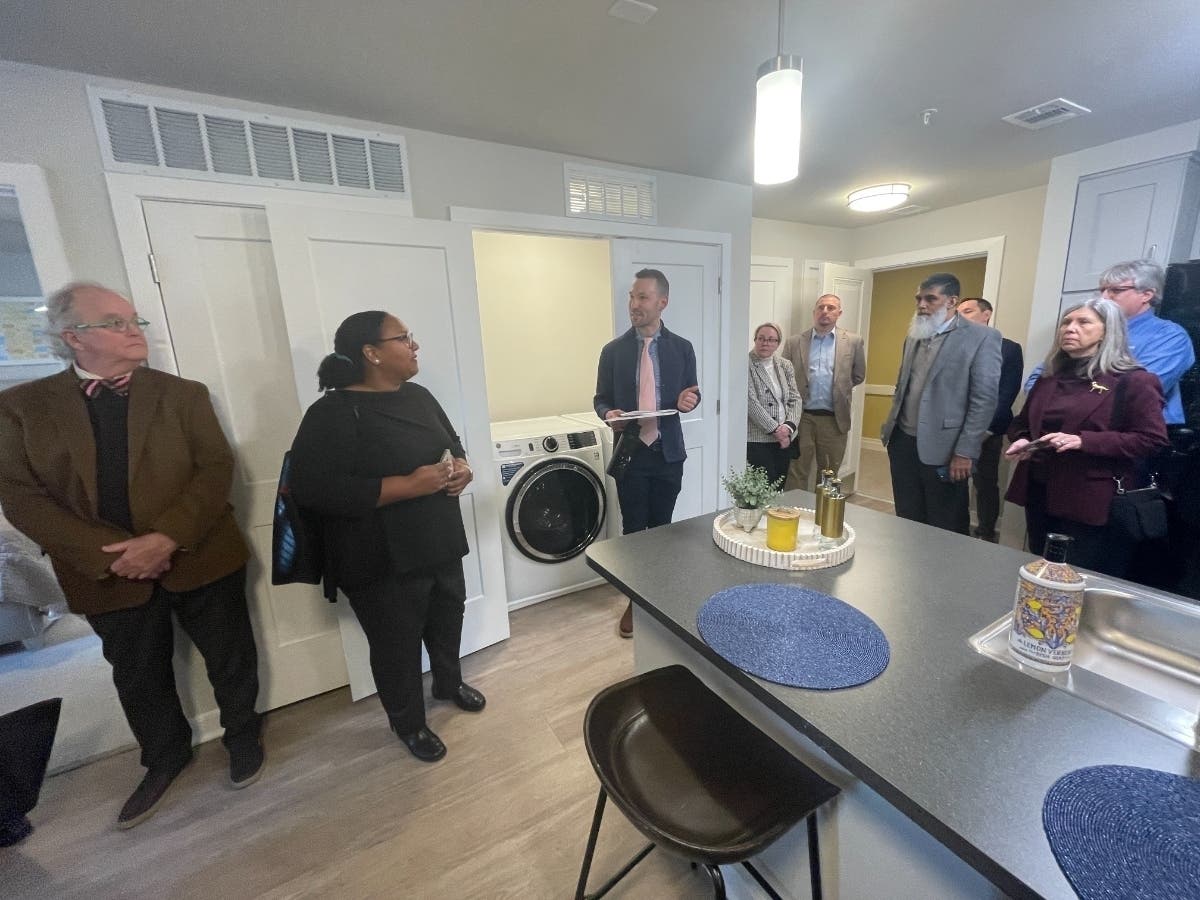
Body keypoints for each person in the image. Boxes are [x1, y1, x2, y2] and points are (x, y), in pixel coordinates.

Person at [0, 282, 263, 830]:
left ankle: (243, 737)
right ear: (73, 337)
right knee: (137, 672)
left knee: (230, 654)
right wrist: (114, 556)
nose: (134, 332)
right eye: (116, 323)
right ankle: (165, 756)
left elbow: (215, 470)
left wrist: (164, 538)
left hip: (200, 554)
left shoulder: (183, 394)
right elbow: (20, 495)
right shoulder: (21, 408)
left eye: (135, 321)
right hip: (104, 572)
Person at [288, 311, 485, 763]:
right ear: (371, 353)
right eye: (403, 338)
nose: (414, 345)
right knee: (395, 645)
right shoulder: (331, 413)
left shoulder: (418, 396)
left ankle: (449, 682)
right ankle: (409, 723)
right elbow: (314, 489)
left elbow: (453, 445)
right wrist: (408, 486)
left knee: (446, 618)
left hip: (438, 540)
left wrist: (463, 469)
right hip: (377, 557)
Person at [1004, 298, 1168, 576]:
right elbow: (1021, 423)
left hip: (1091, 501)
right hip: (1040, 493)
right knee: (1044, 571)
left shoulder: (1134, 381)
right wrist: (1022, 439)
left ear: (1107, 331)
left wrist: (1084, 441)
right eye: (1066, 322)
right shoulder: (1049, 378)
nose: (1070, 328)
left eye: (1083, 322)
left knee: (1081, 576)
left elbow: (1152, 440)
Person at [594, 269, 700, 638]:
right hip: (632, 454)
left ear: (662, 302)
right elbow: (601, 399)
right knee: (634, 532)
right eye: (631, 297)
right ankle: (635, 602)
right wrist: (608, 414)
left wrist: (690, 400)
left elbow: (692, 392)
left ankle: (658, 596)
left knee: (663, 531)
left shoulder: (682, 348)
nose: (634, 305)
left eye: (642, 297)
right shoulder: (613, 351)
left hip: (668, 453)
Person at [880, 273, 1001, 534]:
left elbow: (984, 399)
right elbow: (904, 385)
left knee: (945, 523)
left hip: (947, 449)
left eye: (930, 299)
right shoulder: (914, 334)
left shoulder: (982, 338)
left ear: (952, 301)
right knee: (907, 517)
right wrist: (890, 431)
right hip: (903, 442)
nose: (922, 305)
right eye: (919, 299)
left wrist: (965, 451)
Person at [1023, 260, 1194, 425]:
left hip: (1130, 435)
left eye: (1116, 290)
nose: (1104, 297)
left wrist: (1059, 402)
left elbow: (1135, 392)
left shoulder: (1169, 335)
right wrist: (1044, 399)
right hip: (1072, 426)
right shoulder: (1093, 329)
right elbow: (1044, 373)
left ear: (1147, 295)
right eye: (1102, 290)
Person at [781, 293, 867, 490]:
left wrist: (838, 390)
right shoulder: (794, 342)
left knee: (829, 473)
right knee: (796, 470)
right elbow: (784, 375)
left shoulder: (853, 341)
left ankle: (823, 518)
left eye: (830, 308)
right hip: (801, 418)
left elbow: (858, 375)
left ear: (839, 313)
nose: (825, 312)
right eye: (821, 307)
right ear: (814, 312)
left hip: (834, 420)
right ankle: (794, 515)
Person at [956, 297, 1024, 542]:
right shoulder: (953, 348)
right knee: (953, 485)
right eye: (958, 312)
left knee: (985, 484)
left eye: (968, 310)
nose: (961, 316)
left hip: (988, 432)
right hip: (952, 430)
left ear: (986, 314)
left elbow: (1005, 395)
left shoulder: (1008, 349)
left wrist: (979, 432)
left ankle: (986, 532)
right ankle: (955, 531)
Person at [746, 322, 802, 488]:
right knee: (762, 489)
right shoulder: (745, 363)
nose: (765, 343)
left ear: (778, 343)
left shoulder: (785, 365)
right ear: (755, 340)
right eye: (761, 338)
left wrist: (788, 428)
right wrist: (776, 431)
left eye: (771, 339)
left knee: (779, 485)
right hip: (758, 439)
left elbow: (795, 398)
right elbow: (751, 403)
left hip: (785, 438)